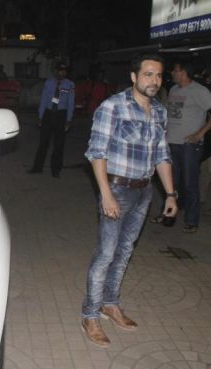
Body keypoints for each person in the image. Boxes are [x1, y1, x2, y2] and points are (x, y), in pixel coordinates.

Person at [82, 54, 177, 348]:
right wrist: (106, 194)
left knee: (124, 252)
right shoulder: (112, 107)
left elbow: (161, 154)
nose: (154, 81)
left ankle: (111, 304)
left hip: (144, 191)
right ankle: (90, 314)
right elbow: (97, 152)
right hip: (118, 189)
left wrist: (170, 193)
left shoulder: (159, 112)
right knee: (106, 254)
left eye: (159, 76)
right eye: (148, 74)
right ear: (134, 77)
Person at [151, 60, 211, 233]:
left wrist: (200, 133)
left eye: (175, 71)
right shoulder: (174, 90)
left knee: (190, 183)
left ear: (183, 73)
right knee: (170, 183)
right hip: (171, 143)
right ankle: (168, 215)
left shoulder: (200, 91)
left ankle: (191, 220)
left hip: (189, 146)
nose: (172, 74)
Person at [28, 62, 75, 177]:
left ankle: (56, 170)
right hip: (48, 114)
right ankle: (37, 168)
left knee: (59, 144)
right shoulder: (48, 83)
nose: (62, 73)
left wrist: (68, 119)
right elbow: (44, 99)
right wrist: (40, 116)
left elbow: (71, 103)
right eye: (60, 70)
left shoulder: (70, 85)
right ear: (55, 71)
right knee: (43, 143)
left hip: (61, 115)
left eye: (64, 71)